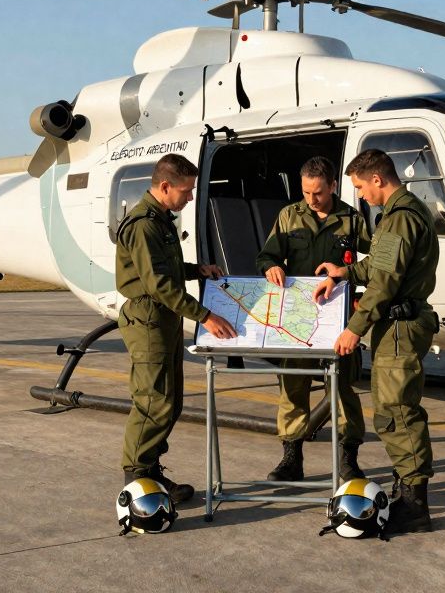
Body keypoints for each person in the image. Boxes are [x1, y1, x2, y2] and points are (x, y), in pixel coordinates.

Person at [313, 148, 440, 534]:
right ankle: (407, 488)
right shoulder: (406, 211)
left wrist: (354, 328)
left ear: (377, 179)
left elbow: (383, 283)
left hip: (400, 326)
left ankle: (414, 505)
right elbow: (380, 265)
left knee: (396, 412)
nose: (360, 195)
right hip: (400, 323)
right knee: (395, 409)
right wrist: (344, 272)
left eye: (359, 187)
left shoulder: (399, 218)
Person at [116, 153, 236, 504]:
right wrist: (205, 316)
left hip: (163, 317)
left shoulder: (160, 220)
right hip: (148, 318)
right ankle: (137, 482)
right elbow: (157, 284)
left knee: (170, 401)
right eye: (186, 191)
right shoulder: (144, 225)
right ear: (166, 186)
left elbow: (164, 269)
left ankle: (149, 471)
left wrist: (197, 270)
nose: (190, 197)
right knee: (153, 402)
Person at [253, 156, 370, 483]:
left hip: (337, 319)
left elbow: (377, 257)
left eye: (318, 193)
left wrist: (352, 280)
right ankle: (292, 458)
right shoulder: (289, 216)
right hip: (297, 319)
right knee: (292, 386)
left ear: (333, 186)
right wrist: (270, 267)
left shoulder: (351, 219)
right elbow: (267, 255)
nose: (311, 199)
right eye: (306, 192)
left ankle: (348, 458)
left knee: (342, 388)